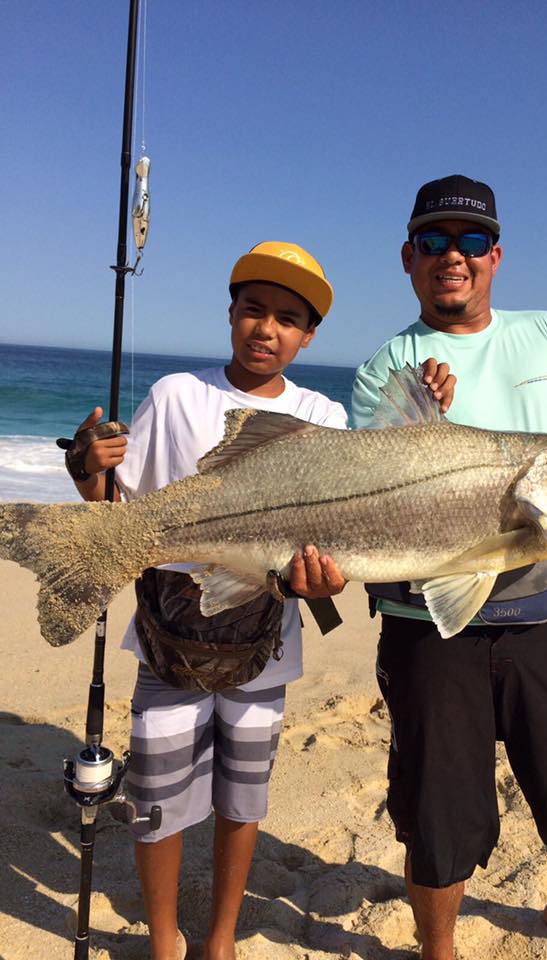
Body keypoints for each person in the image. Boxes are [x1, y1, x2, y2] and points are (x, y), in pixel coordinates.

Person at [352, 175, 547, 960]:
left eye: (471, 242)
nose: (453, 256)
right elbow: (370, 486)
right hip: (424, 625)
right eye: (435, 242)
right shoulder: (391, 363)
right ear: (409, 258)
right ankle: (439, 950)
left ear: (496, 257)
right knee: (438, 821)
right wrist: (419, 424)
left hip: (540, 617)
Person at [68, 241, 348, 960]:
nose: (266, 328)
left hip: (265, 646)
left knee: (242, 800)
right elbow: (121, 510)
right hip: (170, 639)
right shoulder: (175, 395)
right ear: (230, 314)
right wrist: (87, 474)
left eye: (287, 318)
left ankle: (220, 938)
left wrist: (333, 576)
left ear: (308, 336)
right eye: (253, 310)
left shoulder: (324, 416)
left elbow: (334, 544)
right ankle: (166, 937)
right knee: (155, 802)